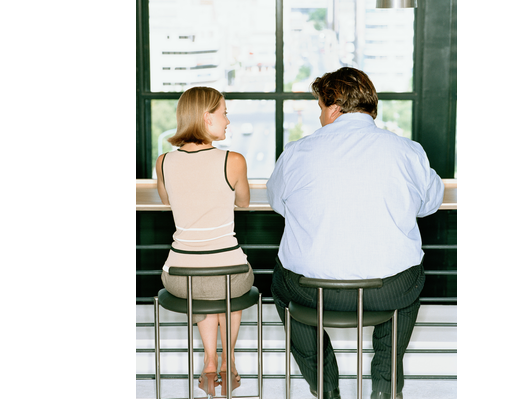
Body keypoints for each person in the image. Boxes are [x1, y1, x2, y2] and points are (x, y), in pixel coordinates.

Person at [267, 67, 444, 399]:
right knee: (407, 288)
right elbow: (430, 204)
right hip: (387, 290)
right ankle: (384, 389)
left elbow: (279, 203)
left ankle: (326, 388)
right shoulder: (407, 151)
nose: (320, 115)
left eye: (320, 107)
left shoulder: (296, 152)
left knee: (282, 288)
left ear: (334, 107)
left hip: (312, 292)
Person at [155, 86, 253, 397]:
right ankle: (229, 362)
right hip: (229, 275)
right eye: (224, 113)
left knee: (204, 283)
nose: (227, 122)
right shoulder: (233, 160)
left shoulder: (163, 161)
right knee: (225, 281)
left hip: (179, 278)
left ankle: (210, 363)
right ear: (206, 117)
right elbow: (244, 203)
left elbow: (167, 199)